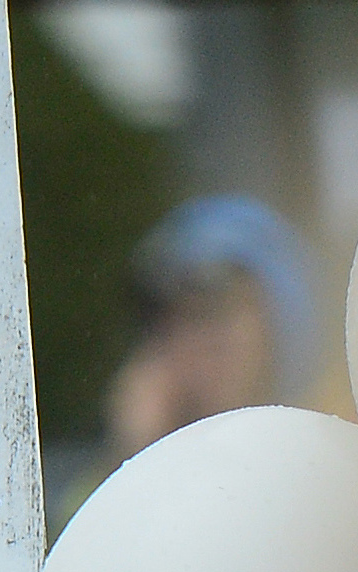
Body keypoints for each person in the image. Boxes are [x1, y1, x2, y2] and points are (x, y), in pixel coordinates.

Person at [107, 193, 320, 455]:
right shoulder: (155, 458)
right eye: (178, 319)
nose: (198, 343)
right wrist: (139, 452)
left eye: (218, 312)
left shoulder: (335, 457)